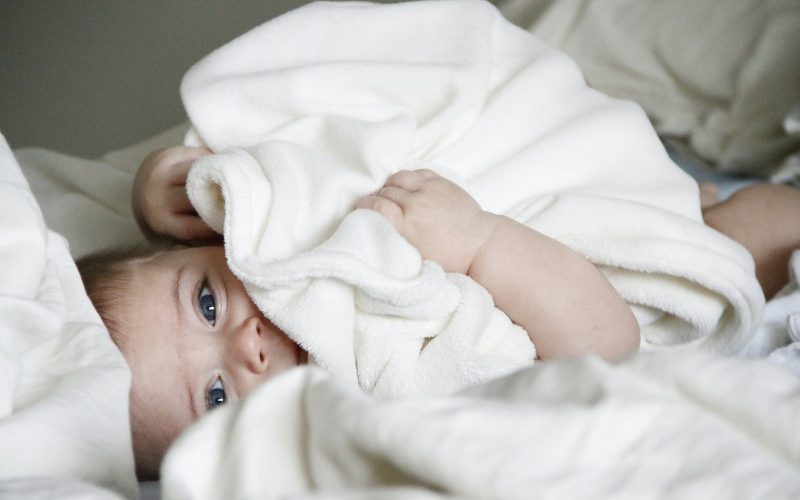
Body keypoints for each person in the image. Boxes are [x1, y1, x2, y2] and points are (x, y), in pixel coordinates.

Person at [79, 146, 800, 478]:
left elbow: (263, 161)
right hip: (599, 281)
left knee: (684, 195)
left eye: (206, 302)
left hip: (572, 187)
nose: (247, 349)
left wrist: (164, 186)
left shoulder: (288, 237)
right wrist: (479, 241)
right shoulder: (380, 395)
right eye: (216, 395)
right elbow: (607, 349)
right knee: (752, 233)